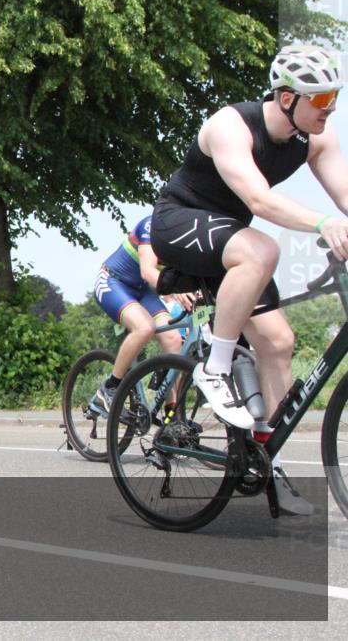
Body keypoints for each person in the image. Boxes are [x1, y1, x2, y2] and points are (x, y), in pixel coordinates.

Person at [151, 44, 347, 514]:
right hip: (181, 222)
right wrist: (323, 224)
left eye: (334, 98)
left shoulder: (314, 139)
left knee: (278, 342)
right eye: (320, 101)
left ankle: (267, 460)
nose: (330, 109)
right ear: (286, 98)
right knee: (263, 247)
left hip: (232, 242)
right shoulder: (230, 125)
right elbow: (258, 202)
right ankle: (215, 366)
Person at [92, 215, 193, 411]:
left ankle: (172, 414)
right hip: (113, 281)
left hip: (141, 290)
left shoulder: (189, 238)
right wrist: (176, 291)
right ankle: (109, 388)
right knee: (145, 327)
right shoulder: (152, 225)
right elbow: (147, 272)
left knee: (173, 338)